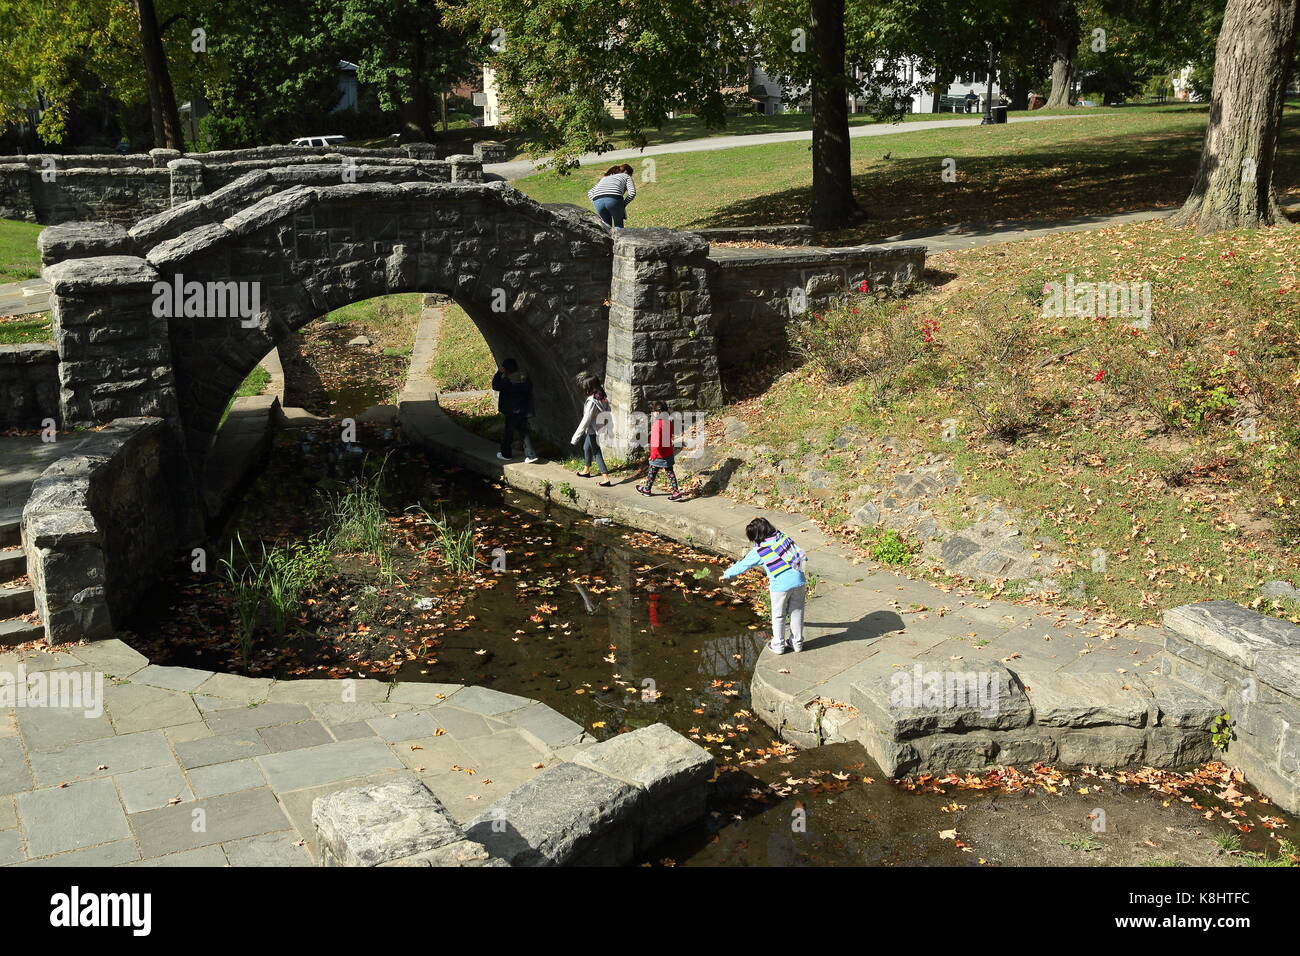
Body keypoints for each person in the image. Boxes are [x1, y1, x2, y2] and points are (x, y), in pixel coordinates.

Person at [720, 517, 807, 654]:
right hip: (799, 579)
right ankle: (797, 643)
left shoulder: (760, 550)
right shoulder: (782, 537)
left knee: (778, 615)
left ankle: (778, 645)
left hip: (780, 585)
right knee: (797, 612)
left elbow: (744, 565)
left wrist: (726, 574)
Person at [492, 358, 538, 463]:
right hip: (523, 409)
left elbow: (495, 386)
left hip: (512, 411)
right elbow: (529, 389)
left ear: (505, 368)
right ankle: (531, 455)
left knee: (508, 433)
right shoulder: (524, 378)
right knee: (523, 431)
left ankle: (506, 454)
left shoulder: (507, 380)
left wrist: (498, 373)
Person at [570, 375, 613, 487]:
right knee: (586, 447)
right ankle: (586, 470)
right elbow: (608, 412)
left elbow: (586, 420)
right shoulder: (602, 397)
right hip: (598, 428)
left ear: (590, 387)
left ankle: (606, 478)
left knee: (597, 452)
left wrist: (575, 437)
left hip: (593, 430)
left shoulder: (592, 401)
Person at [636, 402, 684, 501]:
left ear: (658, 412)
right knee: (668, 471)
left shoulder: (657, 424)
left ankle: (647, 489)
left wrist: (653, 455)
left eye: (653, 411)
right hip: (667, 452)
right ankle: (675, 492)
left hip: (658, 454)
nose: (652, 414)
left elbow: (656, 442)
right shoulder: (668, 422)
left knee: (652, 471)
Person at [587, 163, 636, 228]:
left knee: (606, 228)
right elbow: (632, 193)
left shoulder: (605, 178)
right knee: (618, 225)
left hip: (597, 201)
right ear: (626, 172)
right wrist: (623, 204)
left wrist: (596, 202)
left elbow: (590, 192)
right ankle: (619, 238)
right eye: (631, 174)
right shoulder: (626, 176)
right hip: (614, 199)